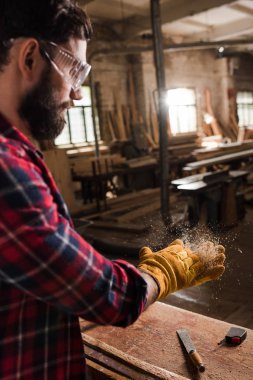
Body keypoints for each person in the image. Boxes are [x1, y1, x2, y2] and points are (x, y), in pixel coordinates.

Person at [0, 0, 225, 379]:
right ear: (30, 57)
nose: (77, 94)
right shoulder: (7, 169)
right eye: (74, 70)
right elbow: (110, 298)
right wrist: (162, 273)